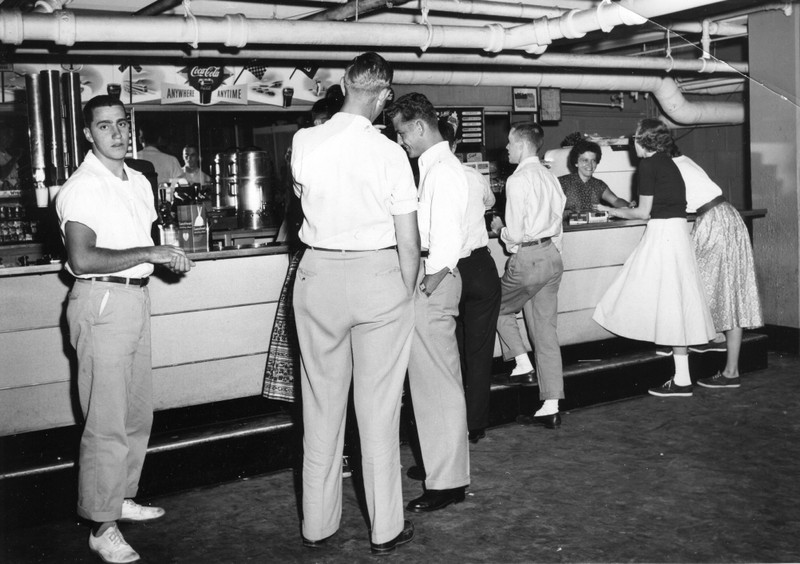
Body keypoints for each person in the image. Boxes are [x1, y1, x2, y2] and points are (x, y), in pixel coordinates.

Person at [55, 94, 195, 563]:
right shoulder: (82, 187)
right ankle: (101, 524)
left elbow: (143, 243)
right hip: (102, 300)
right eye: (104, 126)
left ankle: (120, 498)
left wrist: (165, 255)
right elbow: (82, 258)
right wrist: (149, 254)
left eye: (121, 124)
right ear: (87, 134)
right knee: (106, 422)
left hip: (134, 298)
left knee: (137, 414)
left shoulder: (136, 180)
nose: (116, 133)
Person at [290, 52, 418, 555]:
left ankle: (317, 525)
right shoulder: (390, 153)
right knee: (379, 413)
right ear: (386, 97)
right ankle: (385, 529)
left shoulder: (304, 141)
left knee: (321, 407)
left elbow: (304, 198)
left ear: (344, 83)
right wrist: (401, 295)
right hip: (378, 275)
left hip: (317, 273)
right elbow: (409, 241)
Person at [387, 92, 470, 513]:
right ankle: (442, 469)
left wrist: (427, 285)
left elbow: (448, 242)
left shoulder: (442, 172)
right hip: (430, 278)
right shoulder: (434, 167)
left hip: (433, 280)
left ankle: (449, 482)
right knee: (430, 383)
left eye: (403, 133)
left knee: (436, 384)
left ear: (419, 126)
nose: (401, 141)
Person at [593, 118, 716, 397]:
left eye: (634, 138)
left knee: (633, 292)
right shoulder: (668, 162)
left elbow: (643, 212)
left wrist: (609, 210)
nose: (631, 142)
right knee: (674, 303)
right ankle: (682, 377)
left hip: (663, 234)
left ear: (643, 141)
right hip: (677, 234)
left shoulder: (648, 165)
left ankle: (682, 379)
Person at [490, 122, 567, 429]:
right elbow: (559, 221)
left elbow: (517, 233)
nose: (506, 148)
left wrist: (501, 231)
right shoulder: (551, 176)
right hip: (551, 256)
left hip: (530, 258)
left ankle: (522, 363)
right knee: (546, 333)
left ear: (522, 146)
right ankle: (551, 405)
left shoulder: (518, 179)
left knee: (493, 305)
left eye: (510, 143)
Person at [672, 148, 763, 387]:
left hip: (714, 222)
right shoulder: (685, 160)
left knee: (698, 285)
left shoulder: (671, 166)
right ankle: (723, 357)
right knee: (730, 292)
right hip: (725, 217)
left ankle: (717, 347)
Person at [438, 118, 501, 444]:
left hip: (448, 269)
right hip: (480, 266)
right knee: (479, 352)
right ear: (456, 145)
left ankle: (451, 426)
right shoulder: (473, 175)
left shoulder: (430, 179)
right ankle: (475, 425)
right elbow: (490, 204)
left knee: (449, 352)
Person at [559, 139, 631, 213]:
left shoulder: (598, 185)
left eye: (593, 160)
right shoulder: (562, 183)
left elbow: (616, 200)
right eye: (585, 160)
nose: (590, 165)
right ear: (576, 163)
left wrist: (629, 206)